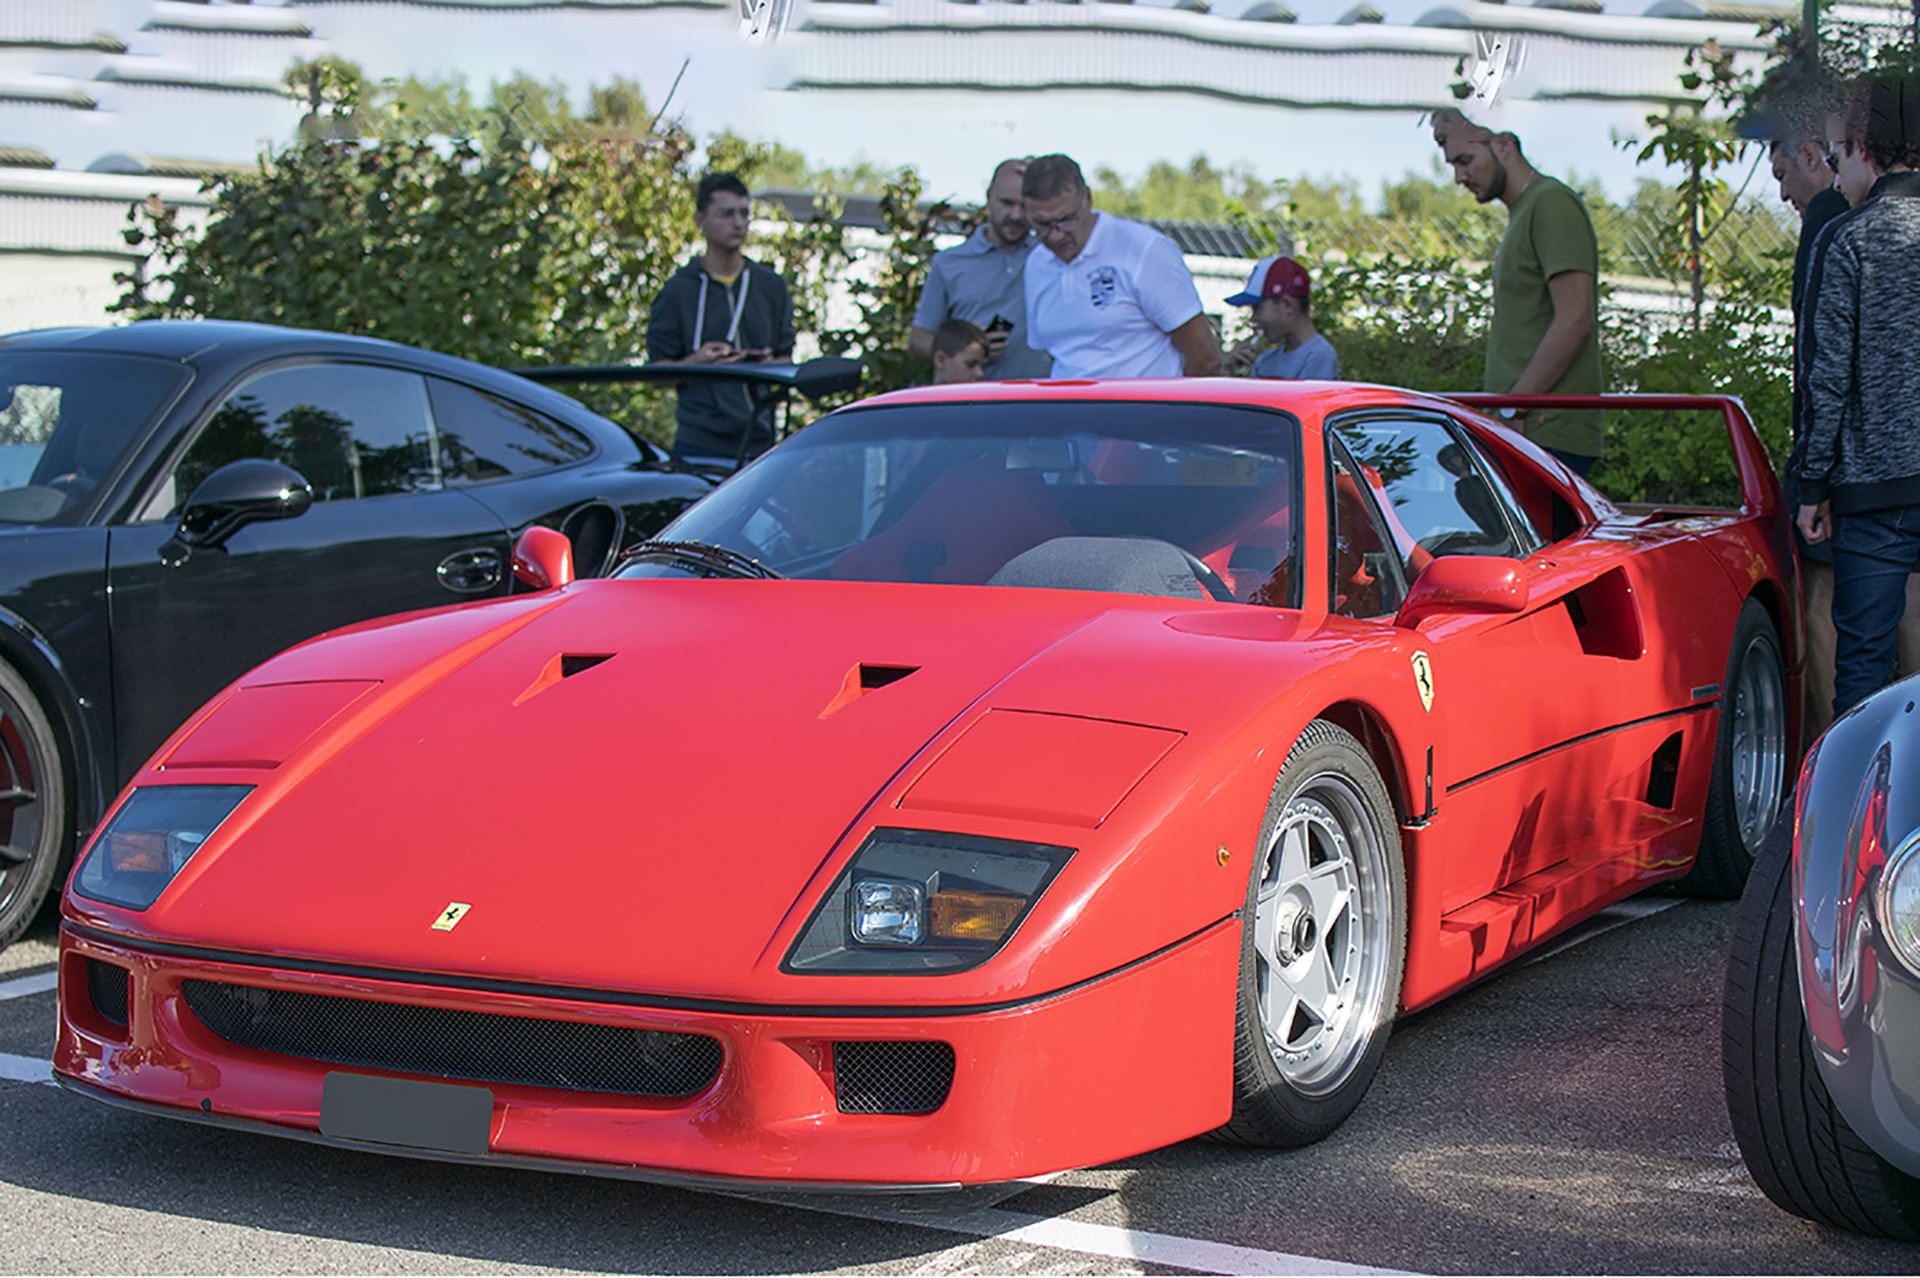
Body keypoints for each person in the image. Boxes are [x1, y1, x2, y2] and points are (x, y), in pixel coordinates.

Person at [1792, 73, 1920, 717]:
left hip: (1873, 495)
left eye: (1839, 156)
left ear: (1865, 147)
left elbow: (1827, 374)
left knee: (1864, 673)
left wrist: (1810, 485)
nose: (1837, 177)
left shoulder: (1850, 238)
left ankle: (1858, 816)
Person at [1770, 87, 1871, 738]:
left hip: (1842, 458)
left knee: (1817, 602)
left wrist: (1812, 470)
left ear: (1814, 153)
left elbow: (1819, 360)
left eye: (1782, 172)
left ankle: (1820, 761)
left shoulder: (1829, 222)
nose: (1782, 194)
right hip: (1891, 453)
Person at [1434, 109, 1604, 476]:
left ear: (1505, 145)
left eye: (1466, 160)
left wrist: (1514, 409)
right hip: (1525, 432)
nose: (1459, 176)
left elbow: (1577, 318)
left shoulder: (1551, 202)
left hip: (1547, 436)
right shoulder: (1524, 210)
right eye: (1452, 164)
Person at [1020, 153, 1222, 379]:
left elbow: (1205, 358)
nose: (1055, 235)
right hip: (1068, 411)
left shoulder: (1143, 249)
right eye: (1042, 224)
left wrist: (1177, 412)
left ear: (1087, 198)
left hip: (1143, 410)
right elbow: (1055, 352)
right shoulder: (1037, 263)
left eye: (1066, 219)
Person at [646, 171, 795, 467]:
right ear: (700, 219)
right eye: (726, 214)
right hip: (699, 444)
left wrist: (767, 367)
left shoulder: (770, 286)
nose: (738, 223)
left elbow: (786, 358)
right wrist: (696, 363)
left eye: (744, 214)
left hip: (760, 443)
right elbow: (655, 375)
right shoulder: (678, 290)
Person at [909, 159, 1052, 381]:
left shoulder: (1051, 256)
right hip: (973, 403)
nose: (1016, 215)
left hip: (1039, 401)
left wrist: (1048, 175)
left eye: (1024, 206)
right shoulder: (950, 262)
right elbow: (917, 340)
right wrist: (967, 351)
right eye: (1006, 203)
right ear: (988, 197)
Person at [1222, 255, 1340, 380]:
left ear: (1287, 305)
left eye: (1258, 308)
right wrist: (1225, 371)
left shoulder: (1318, 356)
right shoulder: (1266, 361)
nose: (1253, 319)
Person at [929, 318, 989, 385]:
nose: (979, 373)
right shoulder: (917, 395)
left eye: (982, 366)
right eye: (971, 364)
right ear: (940, 359)